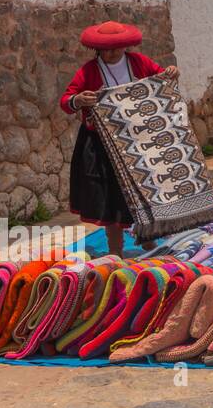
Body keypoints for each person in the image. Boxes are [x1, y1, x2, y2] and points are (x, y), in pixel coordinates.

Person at [60, 21, 178, 257]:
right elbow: (66, 101)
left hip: (138, 140)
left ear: (126, 46)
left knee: (144, 191)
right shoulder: (89, 71)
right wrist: (79, 100)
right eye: (107, 49)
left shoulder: (138, 63)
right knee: (111, 198)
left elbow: (160, 78)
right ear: (98, 49)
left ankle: (147, 239)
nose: (112, 53)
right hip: (102, 145)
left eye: (117, 48)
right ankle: (116, 250)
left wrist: (171, 73)